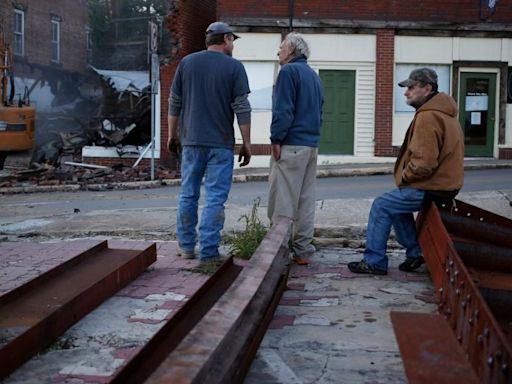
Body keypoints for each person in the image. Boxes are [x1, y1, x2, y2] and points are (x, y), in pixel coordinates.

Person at [349, 67, 464, 275]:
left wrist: (405, 177)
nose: (406, 92)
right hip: (445, 186)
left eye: (411, 87)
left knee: (381, 205)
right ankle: (415, 253)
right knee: (396, 207)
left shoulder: (428, 117)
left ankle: (374, 261)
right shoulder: (446, 115)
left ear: (427, 89)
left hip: (431, 186)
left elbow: (424, 163)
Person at [168, 21, 252, 263]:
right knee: (215, 198)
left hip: (191, 142)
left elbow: (175, 102)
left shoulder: (187, 63)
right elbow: (242, 108)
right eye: (232, 40)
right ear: (226, 39)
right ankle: (208, 253)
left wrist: (173, 136)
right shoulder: (235, 68)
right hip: (220, 144)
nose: (233, 44)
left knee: (188, 194)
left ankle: (186, 248)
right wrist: (247, 143)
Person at [267, 32, 324, 265]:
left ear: (291, 50)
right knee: (305, 200)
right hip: (310, 145)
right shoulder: (314, 76)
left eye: (281, 47)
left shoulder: (288, 72)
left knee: (282, 201)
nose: (278, 51)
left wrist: (276, 139)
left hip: (290, 144)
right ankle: (303, 250)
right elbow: (319, 112)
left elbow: (283, 110)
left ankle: (277, 251)